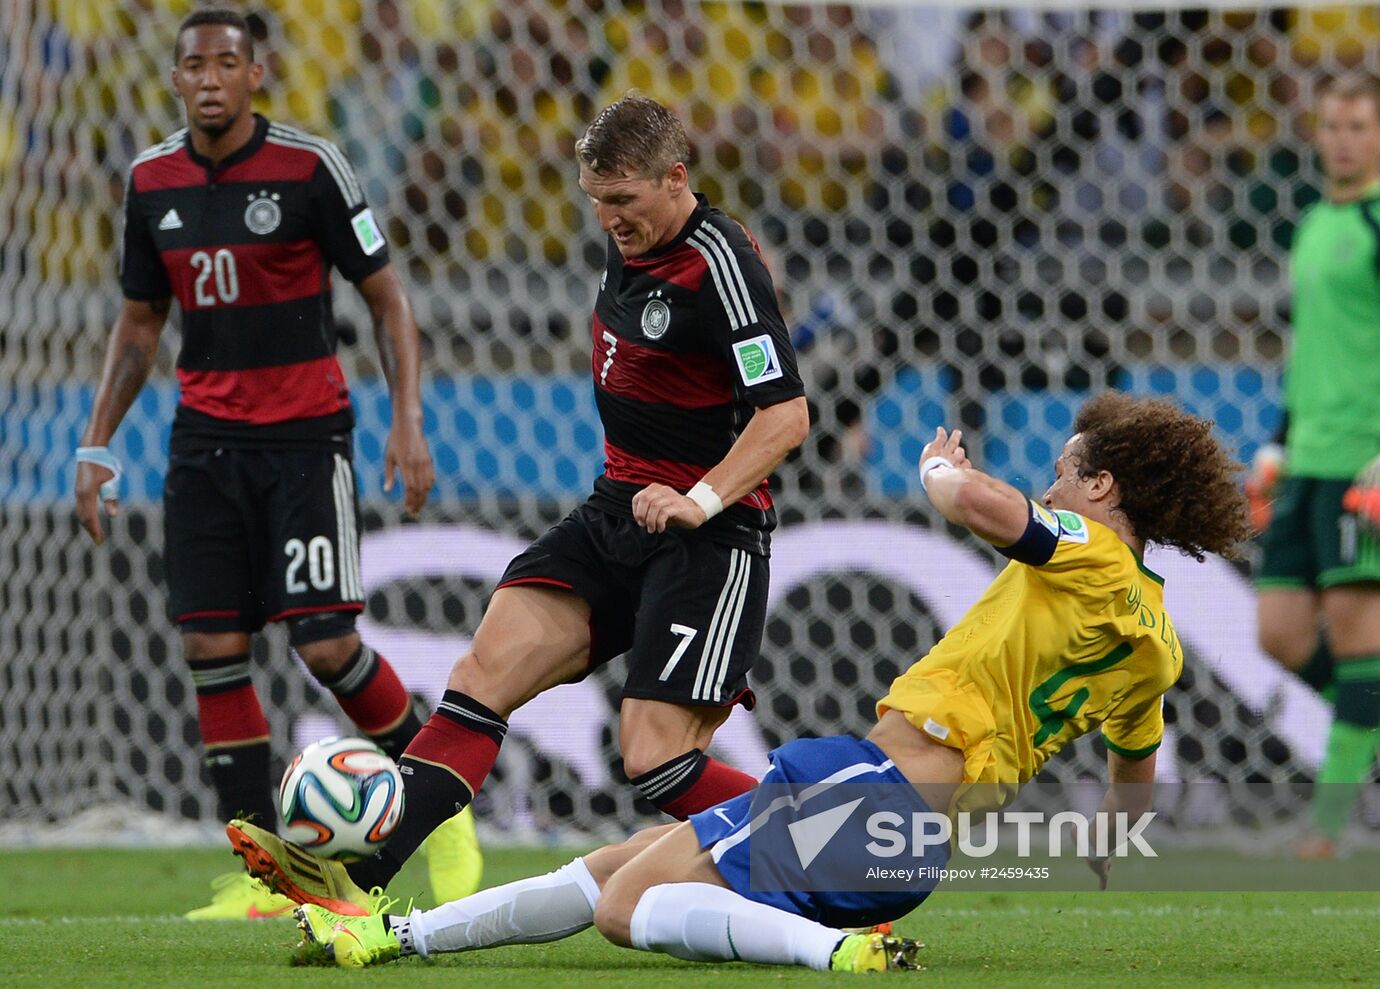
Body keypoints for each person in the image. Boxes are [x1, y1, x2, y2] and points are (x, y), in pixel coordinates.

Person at [241, 393, 1250, 971]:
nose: (1051, 481)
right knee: (620, 862)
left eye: (1068, 468)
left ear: (1101, 487)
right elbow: (1133, 769)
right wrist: (1112, 846)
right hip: (891, 819)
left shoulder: (1079, 546)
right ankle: (390, 936)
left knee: (623, 910)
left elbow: (982, 504)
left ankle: (833, 954)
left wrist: (941, 468)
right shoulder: (1152, 638)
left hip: (872, 799)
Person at [225, 91, 811, 913]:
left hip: (709, 539)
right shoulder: (631, 240)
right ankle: (354, 883)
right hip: (617, 513)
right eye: (596, 201)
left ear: (676, 178)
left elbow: (788, 414)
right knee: (481, 674)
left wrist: (702, 498)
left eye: (623, 200)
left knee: (653, 757)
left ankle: (828, 857)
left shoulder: (720, 260)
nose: (608, 218)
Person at [73, 8, 480, 920]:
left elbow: (387, 297)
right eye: (194, 64)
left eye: (227, 61)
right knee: (211, 648)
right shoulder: (150, 179)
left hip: (304, 440)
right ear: (176, 79)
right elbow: (139, 323)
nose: (210, 76)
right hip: (203, 444)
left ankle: (441, 807)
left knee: (326, 644)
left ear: (258, 74)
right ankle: (258, 876)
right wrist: (97, 441)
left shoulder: (310, 166)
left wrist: (406, 419)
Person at [1247, 74, 1380, 859]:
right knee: (1276, 631)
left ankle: (1326, 830)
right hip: (1305, 460)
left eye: (1356, 125)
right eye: (1330, 124)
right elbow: (1310, 351)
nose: (1340, 138)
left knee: (1356, 640)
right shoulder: (1312, 224)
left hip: (1368, 462)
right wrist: (1276, 443)